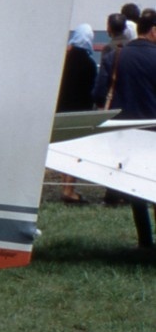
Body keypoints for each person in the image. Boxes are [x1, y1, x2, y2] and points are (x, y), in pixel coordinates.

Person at [105, 10, 156, 247]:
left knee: (136, 187)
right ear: (154, 30)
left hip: (126, 130)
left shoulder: (118, 55)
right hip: (153, 128)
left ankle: (144, 240)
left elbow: (98, 92)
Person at [56, 25, 98, 203]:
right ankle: (69, 189)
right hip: (80, 112)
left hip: (61, 110)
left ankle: (63, 186)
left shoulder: (63, 58)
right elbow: (92, 91)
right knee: (75, 152)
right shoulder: (89, 64)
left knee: (62, 150)